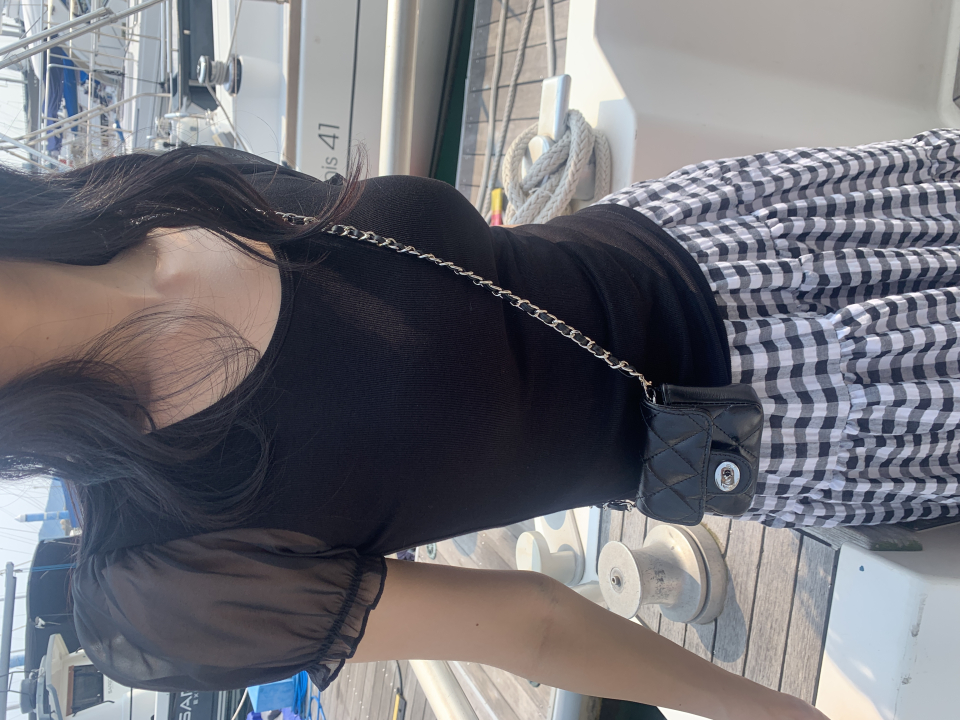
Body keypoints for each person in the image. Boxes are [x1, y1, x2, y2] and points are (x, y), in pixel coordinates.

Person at [9, 129, 960, 720]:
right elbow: (530, 626)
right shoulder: (147, 577)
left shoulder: (144, 193)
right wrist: (772, 714)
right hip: (803, 400)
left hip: (728, 221)